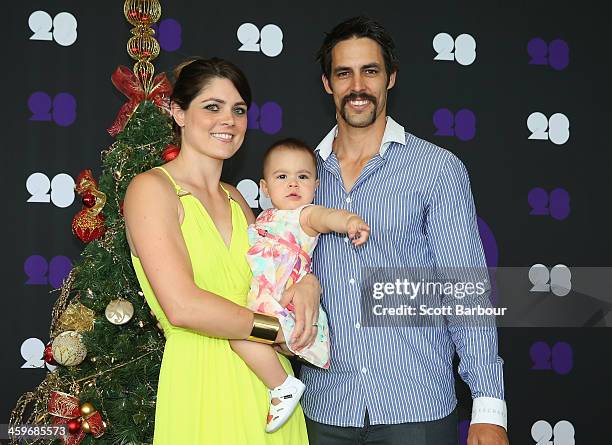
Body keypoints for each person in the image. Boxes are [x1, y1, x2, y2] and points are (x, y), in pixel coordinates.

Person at [300, 17, 510, 445]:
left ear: (390, 78)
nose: (357, 85)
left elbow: (465, 289)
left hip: (416, 407)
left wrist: (489, 406)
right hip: (324, 407)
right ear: (328, 84)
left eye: (370, 71)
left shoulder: (436, 169)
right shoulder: (300, 177)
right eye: (344, 73)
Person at [123, 57, 316, 444]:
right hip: (203, 385)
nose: (228, 120)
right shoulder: (151, 190)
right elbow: (184, 306)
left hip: (271, 392)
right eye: (212, 107)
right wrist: (276, 329)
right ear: (178, 112)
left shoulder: (236, 199)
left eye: (238, 109)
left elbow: (274, 268)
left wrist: (309, 283)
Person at [228, 138, 370, 433]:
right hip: (268, 304)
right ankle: (280, 383)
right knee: (240, 333)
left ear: (316, 185)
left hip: (288, 313)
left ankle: (282, 385)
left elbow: (327, 217)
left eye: (302, 177)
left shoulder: (303, 216)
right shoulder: (264, 219)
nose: (293, 184)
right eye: (282, 177)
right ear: (265, 188)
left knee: (239, 334)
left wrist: (350, 221)